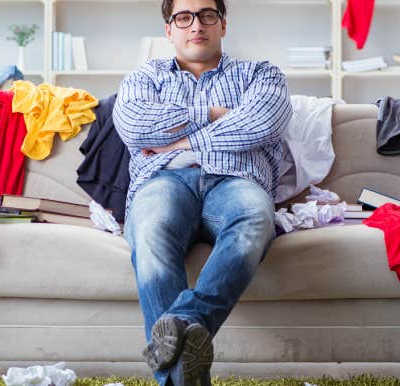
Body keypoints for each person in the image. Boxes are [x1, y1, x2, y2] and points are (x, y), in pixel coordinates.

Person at [112, 0, 292, 384]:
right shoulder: (146, 77)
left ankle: (183, 321)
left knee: (255, 218)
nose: (197, 25)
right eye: (184, 17)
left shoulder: (259, 74)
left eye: (207, 15)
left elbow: (261, 123)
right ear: (169, 29)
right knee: (149, 230)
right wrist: (213, 113)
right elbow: (134, 126)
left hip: (236, 181)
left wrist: (178, 142)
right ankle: (183, 372)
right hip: (164, 180)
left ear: (223, 25)